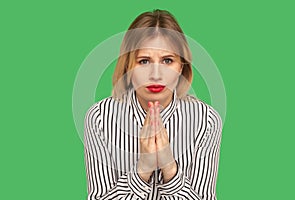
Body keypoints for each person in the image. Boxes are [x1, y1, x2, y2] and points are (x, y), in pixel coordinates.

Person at [84, 9, 223, 200]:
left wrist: (170, 168)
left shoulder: (206, 121)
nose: (156, 75)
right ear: (128, 67)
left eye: (167, 60)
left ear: (181, 66)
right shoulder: (100, 118)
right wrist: (143, 169)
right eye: (144, 61)